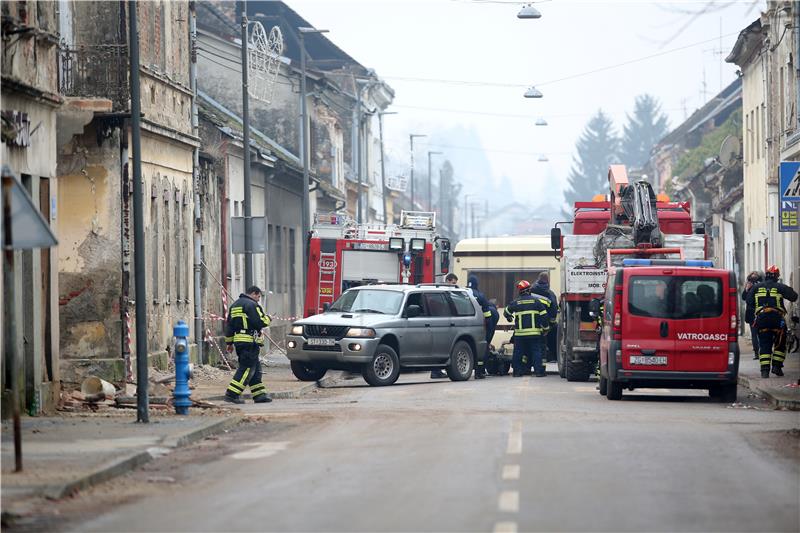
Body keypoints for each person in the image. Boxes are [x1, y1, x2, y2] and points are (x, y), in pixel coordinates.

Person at [746, 266, 798, 378]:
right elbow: (794, 297)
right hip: (777, 320)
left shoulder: (756, 288)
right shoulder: (780, 287)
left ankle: (764, 371)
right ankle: (777, 367)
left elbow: (749, 302)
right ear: (776, 276)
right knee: (780, 343)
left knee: (764, 344)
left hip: (762, 319)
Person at [224, 286, 272, 404]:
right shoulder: (252, 305)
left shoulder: (234, 305)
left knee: (256, 369)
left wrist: (229, 343)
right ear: (254, 294)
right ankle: (232, 394)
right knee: (247, 369)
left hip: (240, 341)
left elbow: (229, 326)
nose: (258, 299)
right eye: (259, 297)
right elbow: (259, 322)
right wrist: (269, 318)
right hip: (250, 341)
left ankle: (259, 395)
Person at [504, 280, 552, 377]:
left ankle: (517, 372)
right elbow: (544, 316)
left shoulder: (516, 302)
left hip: (520, 335)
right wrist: (546, 328)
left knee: (518, 353)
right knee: (536, 352)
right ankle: (539, 372)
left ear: (520, 291)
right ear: (529, 290)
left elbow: (506, 312)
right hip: (534, 334)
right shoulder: (536, 302)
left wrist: (509, 317)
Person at [467, 274, 499, 379]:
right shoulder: (480, 295)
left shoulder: (463, 293)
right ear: (477, 284)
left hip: (464, 326)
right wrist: (489, 330)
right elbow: (487, 314)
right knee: (482, 349)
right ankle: (479, 372)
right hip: (479, 327)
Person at [431, 273, 461, 379]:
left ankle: (436, 371)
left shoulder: (443, 291)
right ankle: (436, 371)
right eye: (453, 282)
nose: (454, 285)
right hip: (439, 324)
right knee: (438, 348)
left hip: (441, 324)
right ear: (448, 280)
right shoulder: (442, 292)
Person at [532, 272, 559, 364]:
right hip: (544, 324)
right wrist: (551, 323)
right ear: (548, 281)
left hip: (528, 323)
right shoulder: (550, 294)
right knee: (551, 337)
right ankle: (552, 357)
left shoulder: (530, 291)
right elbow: (554, 309)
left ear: (538, 279)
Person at [742, 271, 763, 360]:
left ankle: (761, 351)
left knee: (760, 333)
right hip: (753, 314)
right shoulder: (749, 287)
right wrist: (746, 289)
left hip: (759, 312)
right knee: (755, 334)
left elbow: (748, 300)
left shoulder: (759, 286)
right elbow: (743, 297)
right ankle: (757, 352)